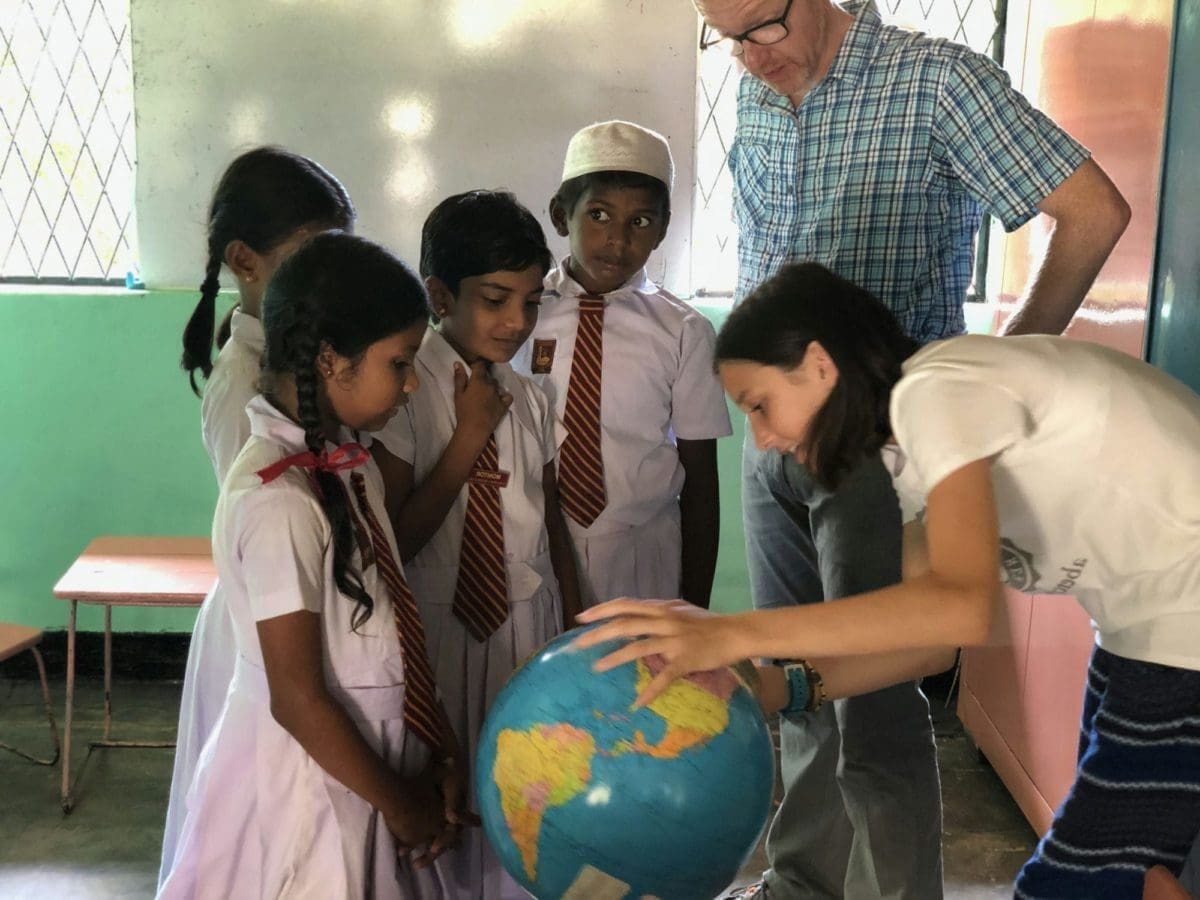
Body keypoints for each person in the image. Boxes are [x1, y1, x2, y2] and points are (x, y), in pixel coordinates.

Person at [577, 261, 1200, 900]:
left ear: (820, 364)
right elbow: (926, 646)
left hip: (1179, 635)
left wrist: (730, 633)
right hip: (1141, 638)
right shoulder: (908, 462)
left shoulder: (936, 389)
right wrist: (772, 688)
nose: (763, 439)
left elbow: (961, 606)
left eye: (760, 406)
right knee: (1127, 879)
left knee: (1079, 886)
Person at [691, 0, 1131, 894]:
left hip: (886, 445)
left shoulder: (938, 81)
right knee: (801, 686)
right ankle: (802, 882)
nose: (748, 57)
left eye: (762, 27)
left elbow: (1092, 211)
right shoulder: (760, 95)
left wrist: (991, 381)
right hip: (776, 437)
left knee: (878, 697)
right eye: (725, 37)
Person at [160, 231, 469, 899]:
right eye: (400, 362)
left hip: (369, 765)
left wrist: (439, 750)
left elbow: (389, 631)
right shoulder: (278, 500)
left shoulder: (344, 464)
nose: (413, 383)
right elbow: (298, 699)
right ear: (331, 360)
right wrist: (403, 803)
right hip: (307, 782)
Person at [371, 190, 581, 897]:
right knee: (448, 822)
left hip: (528, 637)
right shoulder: (402, 391)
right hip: (439, 640)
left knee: (524, 821)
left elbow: (551, 523)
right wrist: (466, 439)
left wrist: (578, 633)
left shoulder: (532, 397)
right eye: (495, 299)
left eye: (530, 301)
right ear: (439, 293)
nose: (517, 322)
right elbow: (391, 540)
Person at [162, 146, 356, 886]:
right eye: (310, 256)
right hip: (264, 623)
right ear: (244, 261)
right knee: (260, 835)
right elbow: (275, 513)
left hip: (290, 601)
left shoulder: (293, 357)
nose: (327, 280)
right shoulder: (246, 381)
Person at [512, 120, 731, 609]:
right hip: (537, 549)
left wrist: (695, 605)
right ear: (560, 215)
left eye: (640, 222)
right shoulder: (524, 312)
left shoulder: (684, 331)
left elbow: (700, 479)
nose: (617, 240)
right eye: (598, 215)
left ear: (662, 230)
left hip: (645, 553)